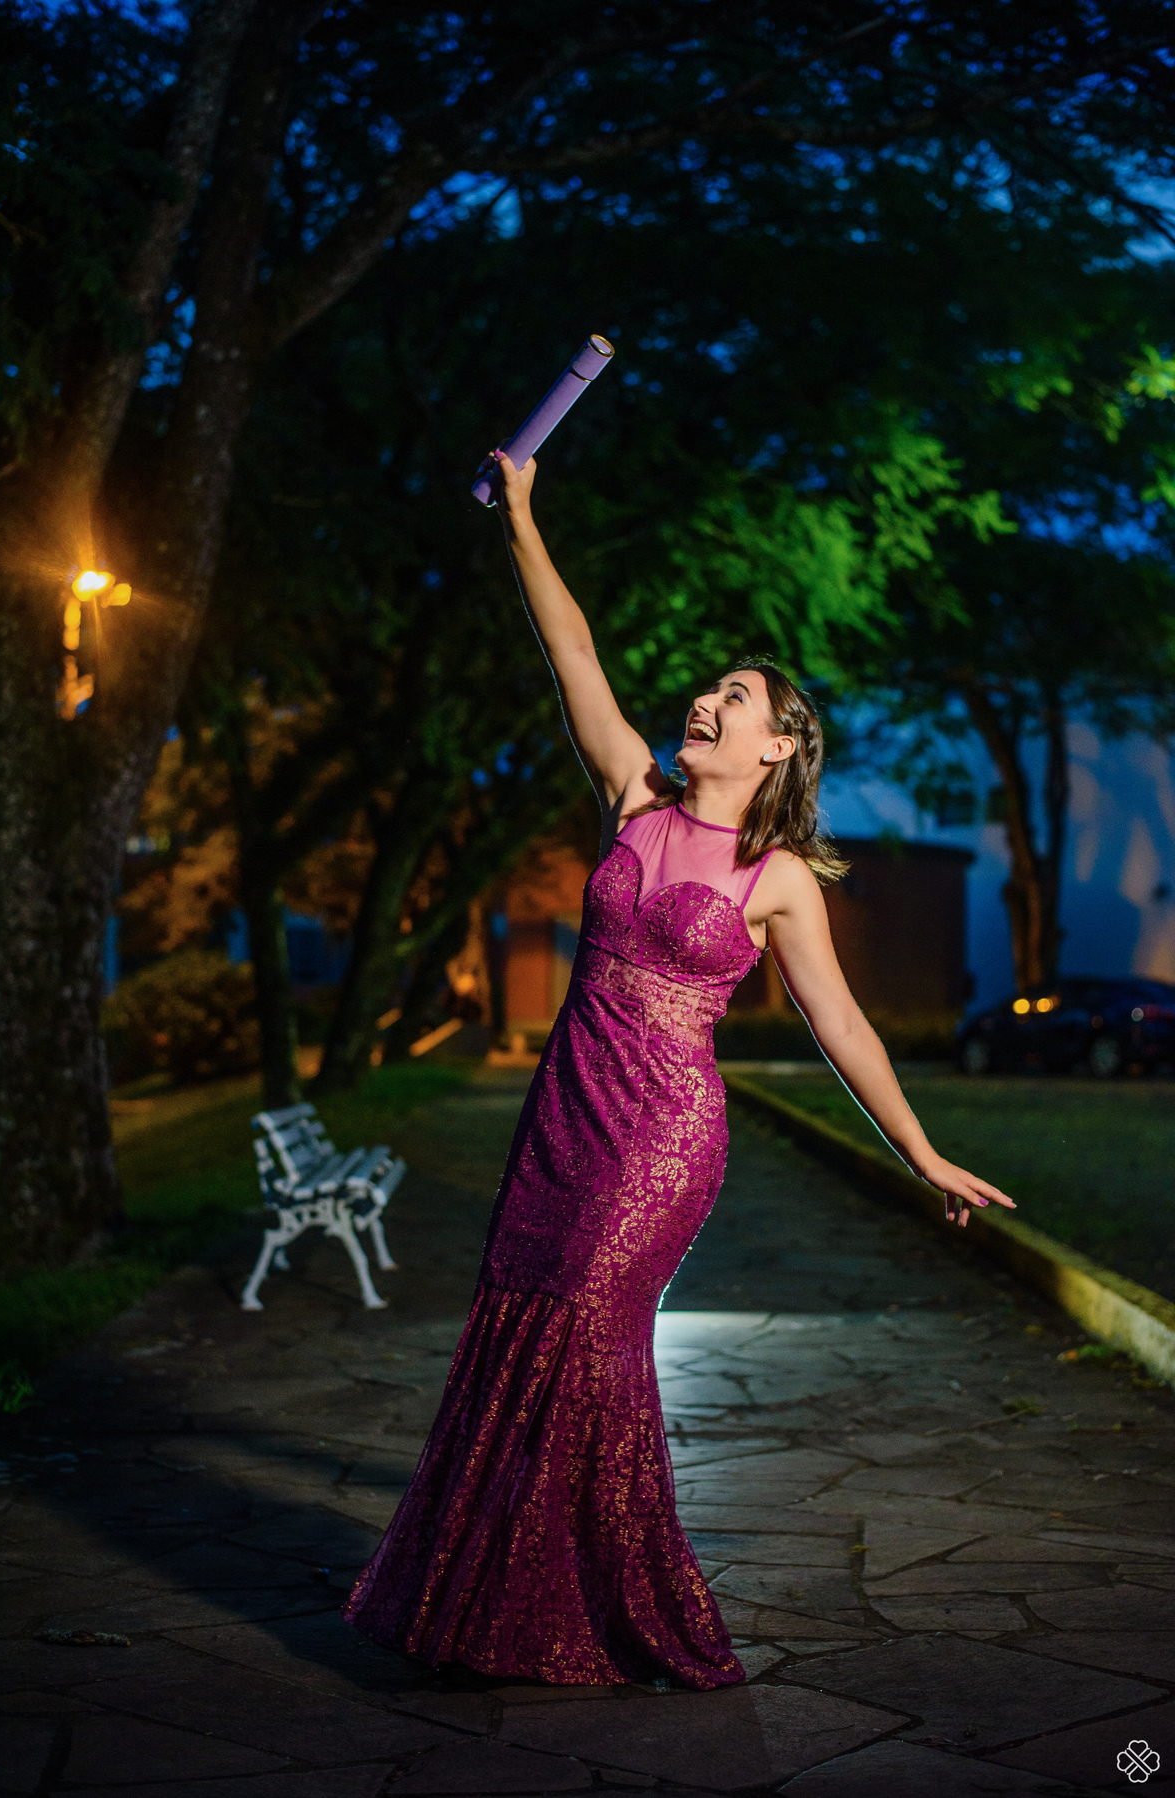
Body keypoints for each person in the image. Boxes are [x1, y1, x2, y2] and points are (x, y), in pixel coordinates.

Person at [344, 449, 1015, 1690]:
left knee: (593, 1332)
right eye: (709, 688)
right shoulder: (632, 801)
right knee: (522, 1329)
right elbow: (576, 654)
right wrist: (526, 518)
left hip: (662, 1138)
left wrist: (920, 1152)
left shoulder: (780, 883)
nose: (705, 701)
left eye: (733, 696)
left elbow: (847, 1029)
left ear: (776, 747)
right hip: (561, 1118)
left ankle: (606, 1603)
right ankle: (494, 1595)